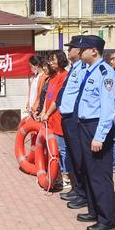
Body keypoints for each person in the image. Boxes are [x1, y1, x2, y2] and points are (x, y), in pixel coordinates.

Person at [74, 35, 115, 230]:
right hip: (85, 125)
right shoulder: (88, 71)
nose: (79, 52)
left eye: (82, 49)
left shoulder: (104, 72)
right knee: (89, 171)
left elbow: (108, 109)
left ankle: (107, 220)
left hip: (96, 127)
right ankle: (94, 211)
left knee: (100, 175)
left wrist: (99, 137)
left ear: (94, 51)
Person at [57, 36, 89, 208]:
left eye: (72, 48)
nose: (69, 51)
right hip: (67, 118)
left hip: (75, 119)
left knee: (79, 156)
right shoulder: (74, 69)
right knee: (72, 157)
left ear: (80, 50)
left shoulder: (84, 70)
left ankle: (83, 192)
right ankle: (77, 188)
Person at [39, 50, 70, 189]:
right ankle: (56, 175)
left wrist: (48, 113)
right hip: (50, 119)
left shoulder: (65, 76)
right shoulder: (52, 78)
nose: (51, 63)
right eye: (50, 60)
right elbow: (47, 97)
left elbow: (58, 99)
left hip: (59, 118)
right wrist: (44, 112)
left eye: (53, 60)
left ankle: (66, 177)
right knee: (53, 149)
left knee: (62, 149)